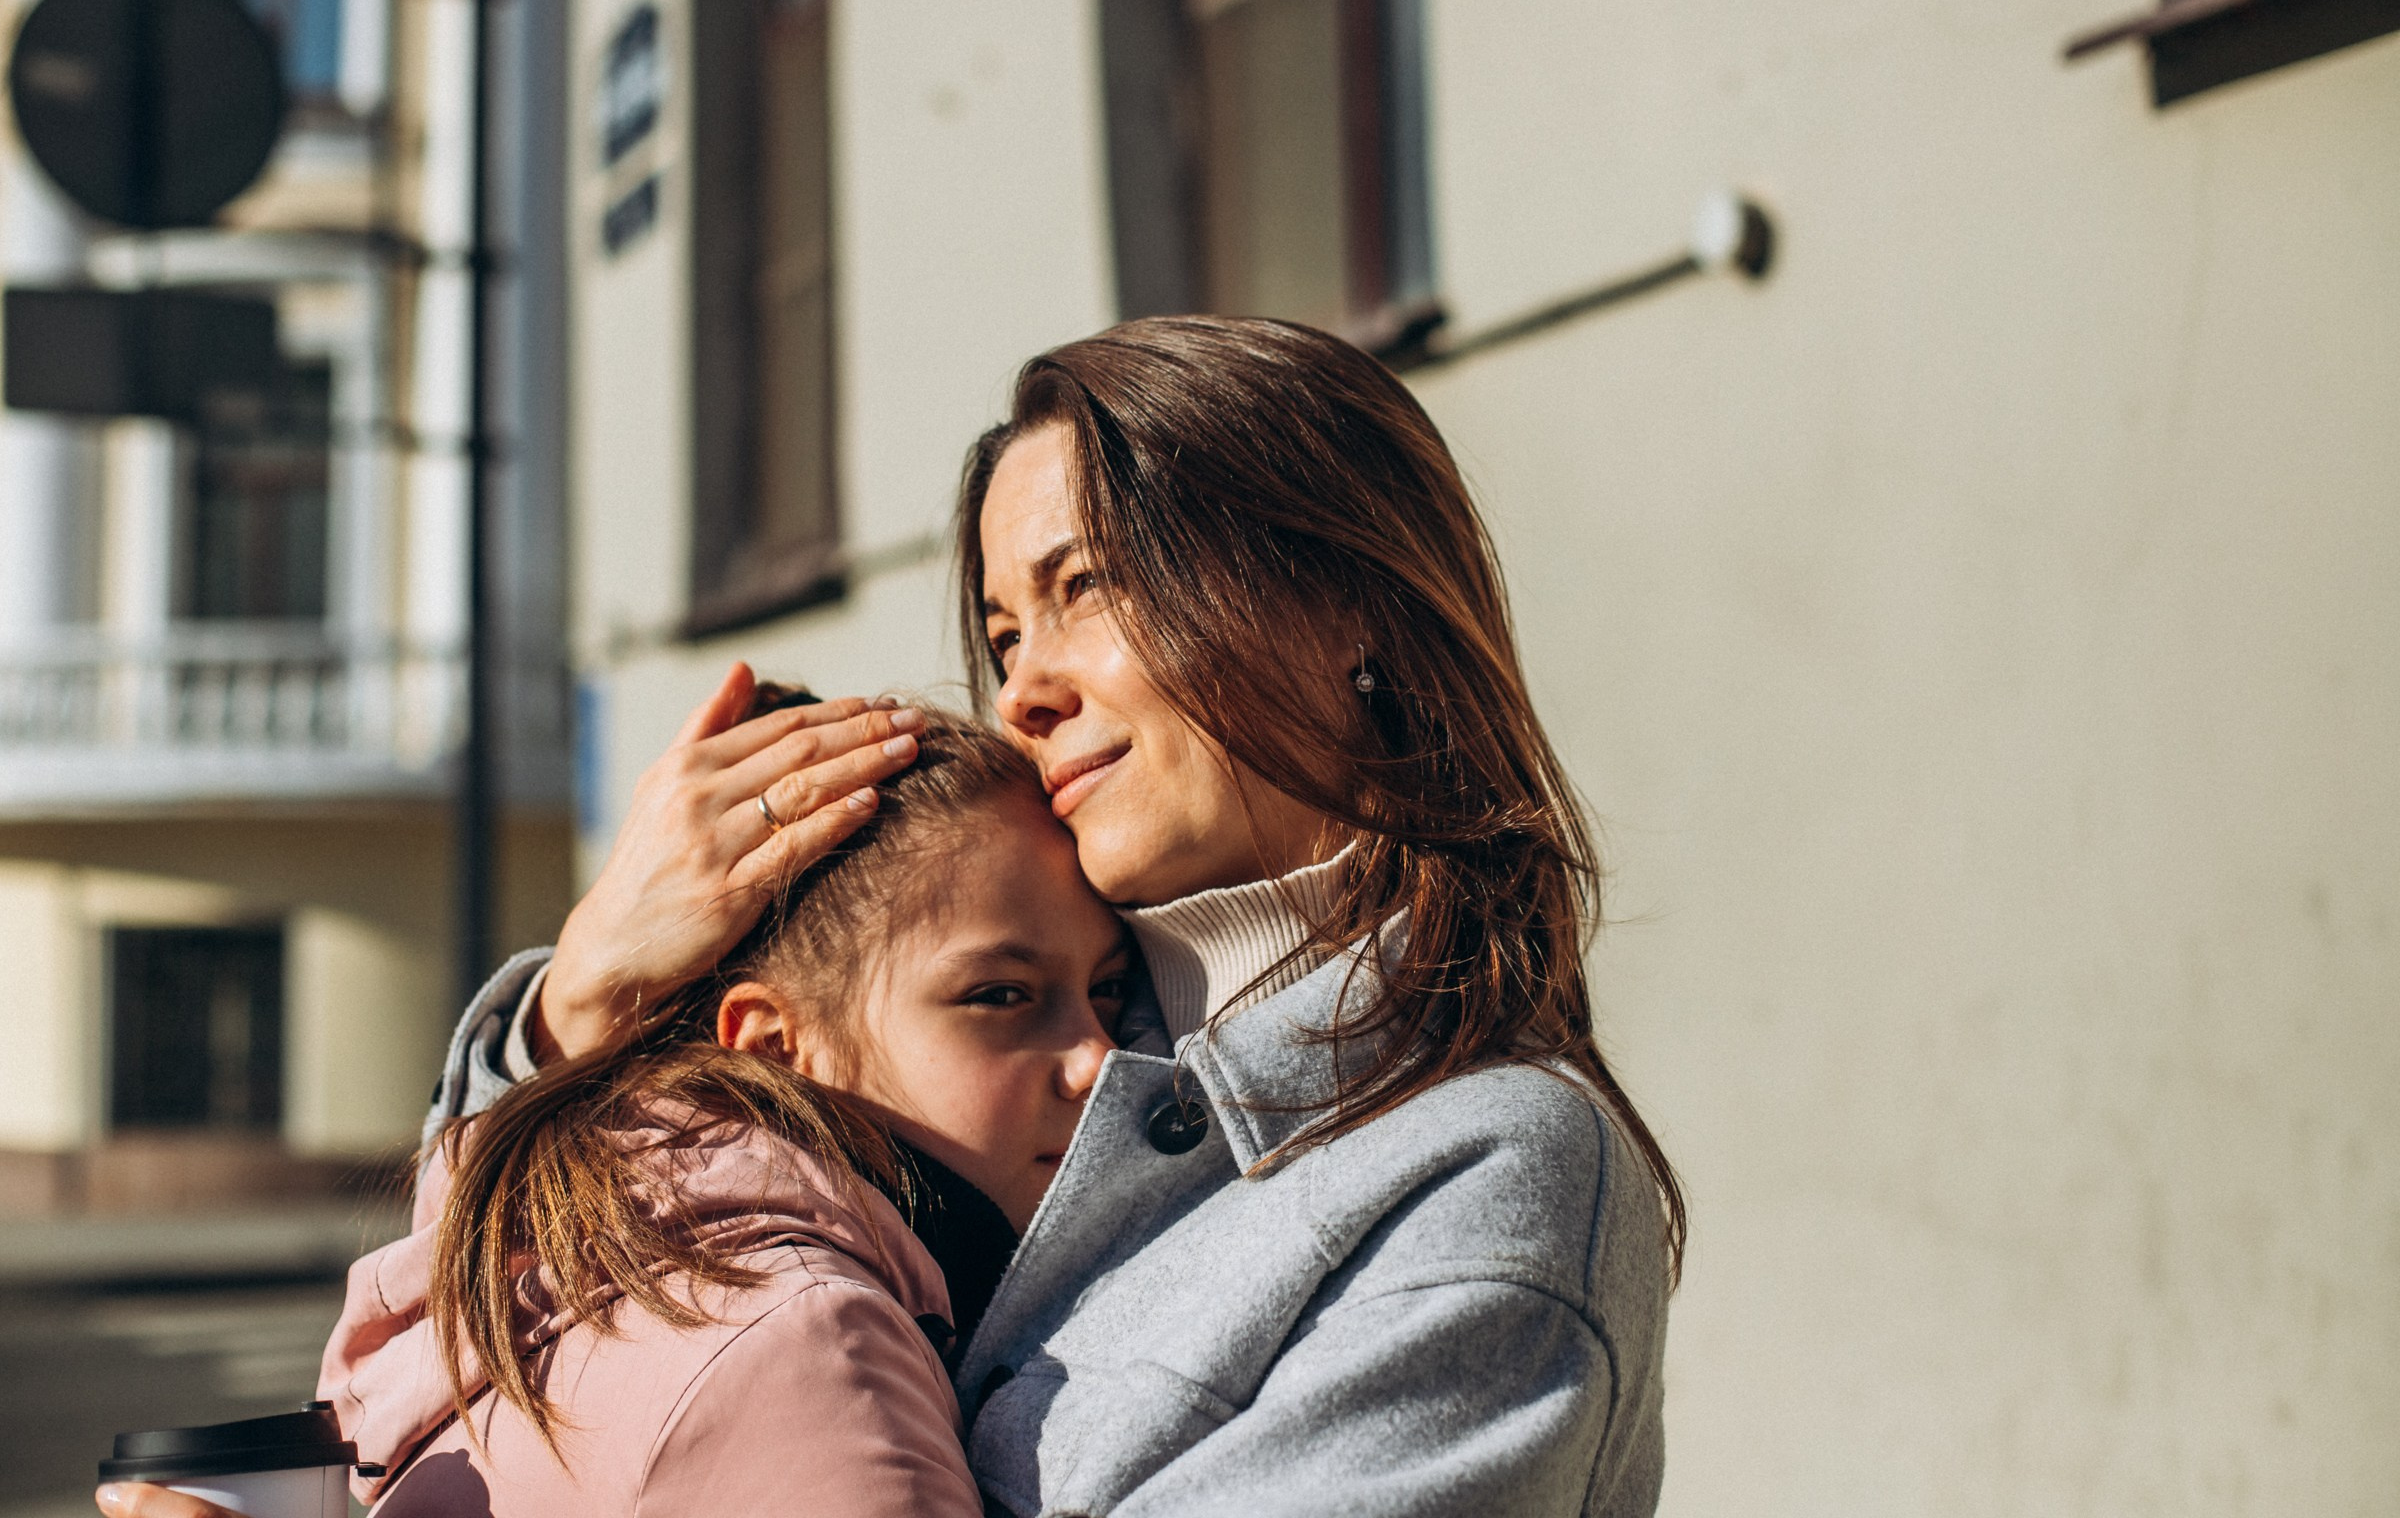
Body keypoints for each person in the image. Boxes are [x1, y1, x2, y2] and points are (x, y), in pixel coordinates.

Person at [102, 315, 1682, 1518]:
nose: (1029, 683)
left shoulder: (1485, 1171)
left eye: (1087, 587)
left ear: (1351, 608)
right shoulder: (993, 1036)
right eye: (1002, 628)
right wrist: (577, 1009)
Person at [102, 711, 1135, 1518]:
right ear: (777, 1046)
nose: (1100, 1058)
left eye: (1110, 993)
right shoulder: (812, 1347)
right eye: (1000, 995)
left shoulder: (577, 1253)